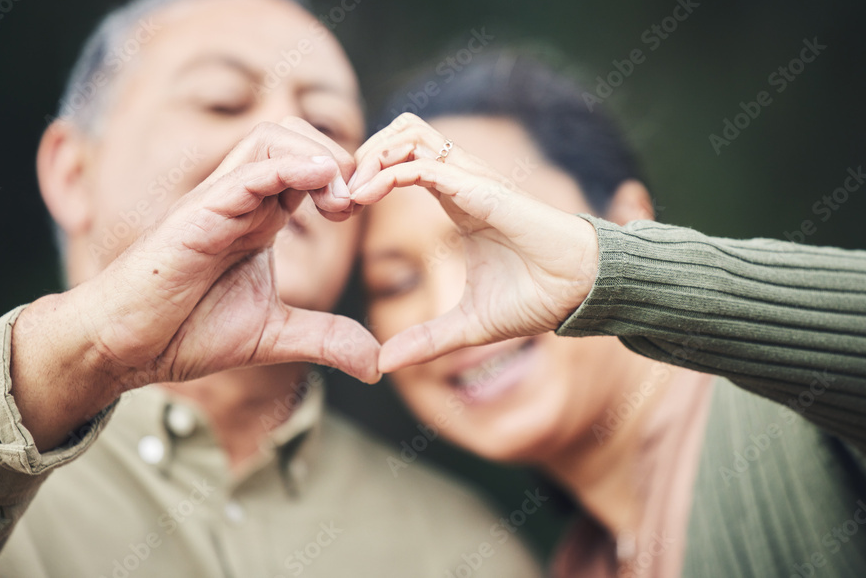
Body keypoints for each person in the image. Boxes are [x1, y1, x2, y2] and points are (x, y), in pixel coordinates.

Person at [0, 0, 541, 577]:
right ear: (72, 172)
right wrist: (91, 349)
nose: (286, 140)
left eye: (329, 122)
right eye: (221, 102)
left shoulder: (465, 549)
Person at [353, 50, 866, 577]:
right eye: (396, 283)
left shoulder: (802, 420)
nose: (447, 305)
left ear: (627, 219)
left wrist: (610, 270)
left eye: (492, 233)